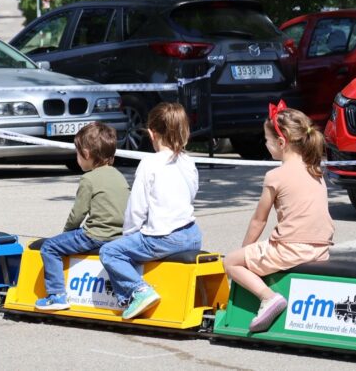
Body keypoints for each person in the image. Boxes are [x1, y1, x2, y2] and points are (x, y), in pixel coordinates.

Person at [223, 100, 334, 332]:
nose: (265, 144)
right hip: (321, 249)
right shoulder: (316, 171)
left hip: (291, 249)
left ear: (281, 143)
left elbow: (259, 220)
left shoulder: (275, 175)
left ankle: (268, 298)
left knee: (230, 261)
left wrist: (244, 250)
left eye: (267, 140)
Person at [99, 102, 202, 319]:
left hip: (164, 237)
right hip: (192, 234)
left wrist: (128, 234)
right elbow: (191, 193)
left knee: (110, 251)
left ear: (151, 133)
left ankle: (139, 291)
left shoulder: (149, 163)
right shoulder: (188, 161)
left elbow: (137, 208)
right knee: (135, 246)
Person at [35, 122, 130, 311]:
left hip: (95, 235)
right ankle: (124, 298)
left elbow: (78, 213)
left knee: (49, 247)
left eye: (78, 154)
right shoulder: (119, 175)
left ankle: (57, 295)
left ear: (86, 154)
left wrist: (66, 233)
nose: (77, 158)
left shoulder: (89, 179)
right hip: (120, 235)